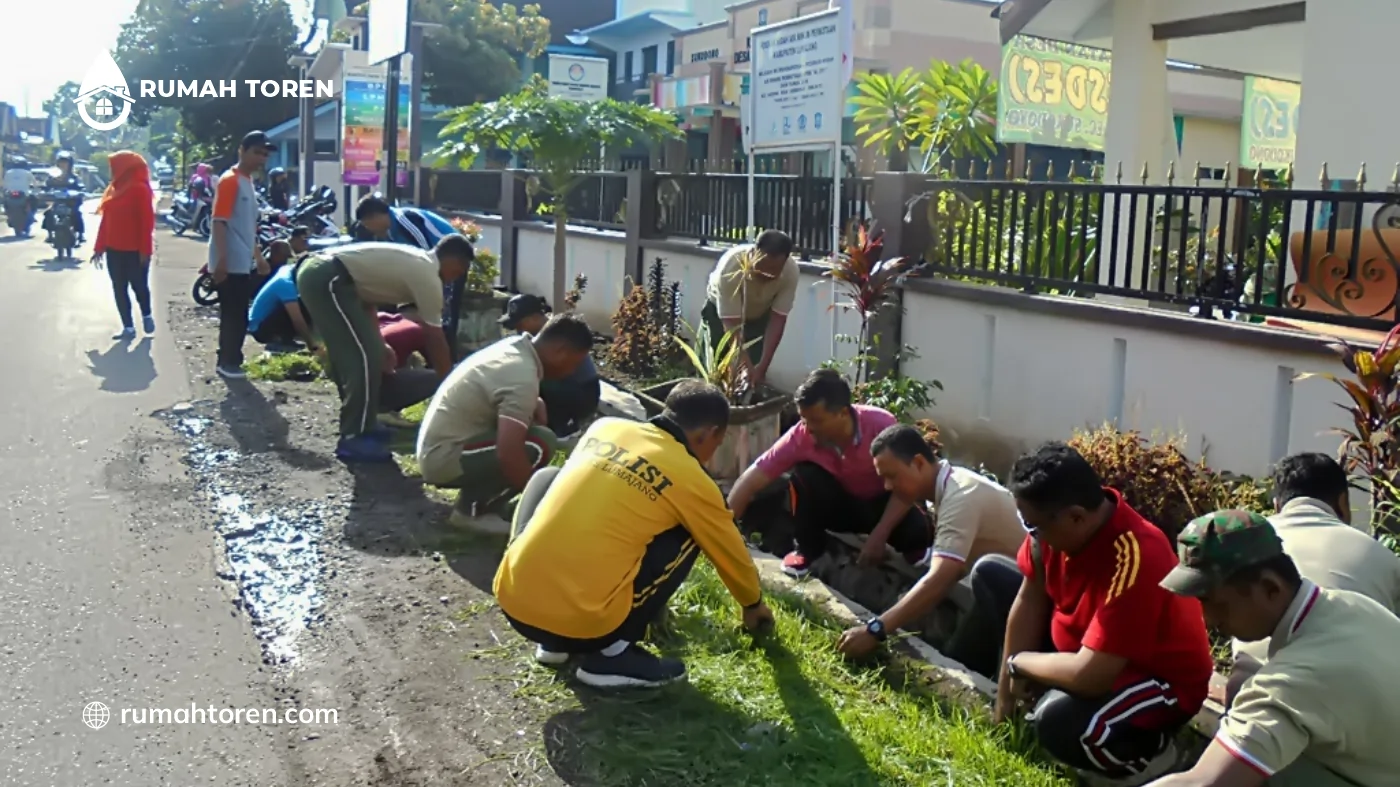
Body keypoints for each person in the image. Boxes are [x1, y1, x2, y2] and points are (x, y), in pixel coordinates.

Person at [493, 379, 775, 688]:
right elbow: (729, 550)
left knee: (549, 478)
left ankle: (555, 644)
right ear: (710, 433)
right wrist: (752, 604)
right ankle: (612, 654)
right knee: (692, 531)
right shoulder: (694, 480)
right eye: (717, 444)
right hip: (584, 626)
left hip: (514, 603)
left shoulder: (606, 428)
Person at [987, 442, 1212, 786]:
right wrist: (1003, 704)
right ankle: (1023, 707)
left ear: (1076, 517)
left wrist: (1020, 663)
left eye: (1034, 526)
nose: (1031, 534)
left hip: (1152, 680)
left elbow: (1091, 676)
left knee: (1060, 722)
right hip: (1087, 652)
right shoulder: (1052, 533)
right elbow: (1029, 601)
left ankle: (1155, 759)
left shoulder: (1137, 554)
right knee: (990, 576)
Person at [1149, 510, 1400, 787]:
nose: (1207, 620)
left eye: (1216, 604)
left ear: (1271, 587)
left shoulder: (1296, 680)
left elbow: (1204, 783)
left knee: (1262, 765)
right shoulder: (1354, 606)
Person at [834, 423, 1026, 664]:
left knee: (974, 660)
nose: (888, 487)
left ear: (918, 463)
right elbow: (951, 570)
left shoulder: (960, 496)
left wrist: (875, 630)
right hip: (1001, 588)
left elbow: (941, 577)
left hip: (1030, 595)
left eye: (892, 476)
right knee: (961, 657)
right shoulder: (950, 486)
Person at [1226, 452, 1400, 705]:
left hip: (1252, 693)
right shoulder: (1381, 557)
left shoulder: (1248, 544)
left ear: (1277, 505)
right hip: (1351, 702)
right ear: (1343, 502)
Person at [728, 369, 930, 577]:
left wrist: (880, 535)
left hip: (880, 505)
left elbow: (907, 484)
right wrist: (722, 535)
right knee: (803, 477)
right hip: (840, 508)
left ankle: (917, 556)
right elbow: (750, 481)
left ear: (842, 413)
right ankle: (806, 550)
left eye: (816, 420)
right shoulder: (801, 436)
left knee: (916, 532)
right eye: (804, 419)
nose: (808, 428)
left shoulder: (881, 425)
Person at [298, 238, 470, 462]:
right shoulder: (427, 274)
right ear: (454, 260)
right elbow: (435, 337)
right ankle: (353, 436)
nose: (455, 278)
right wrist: (450, 384)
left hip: (328, 275)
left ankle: (366, 424)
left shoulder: (417, 263)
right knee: (361, 357)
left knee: (370, 353)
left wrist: (380, 344)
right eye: (459, 271)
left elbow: (367, 300)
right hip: (327, 276)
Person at [416, 313, 592, 526]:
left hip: (437, 449)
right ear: (560, 351)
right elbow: (509, 453)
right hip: (442, 459)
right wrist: (542, 504)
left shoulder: (514, 349)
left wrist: (535, 402)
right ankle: (472, 512)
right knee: (539, 443)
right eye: (575, 363)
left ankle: (481, 503)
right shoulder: (522, 376)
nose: (572, 372)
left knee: (532, 438)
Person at [353, 195, 468, 345]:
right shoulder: (388, 233)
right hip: (431, 269)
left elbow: (427, 256)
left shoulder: (404, 220)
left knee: (444, 316)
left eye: (368, 224)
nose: (370, 230)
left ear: (376, 216)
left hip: (452, 262)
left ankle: (447, 353)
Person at [209, 131, 274, 379]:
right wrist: (221, 260)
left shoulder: (247, 182)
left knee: (238, 313)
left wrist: (259, 256)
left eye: (264, 154)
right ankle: (227, 362)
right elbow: (219, 222)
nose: (261, 158)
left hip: (242, 260)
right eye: (257, 152)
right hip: (230, 261)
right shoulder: (230, 180)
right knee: (233, 314)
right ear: (242, 151)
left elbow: (247, 227)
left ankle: (231, 359)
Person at [701, 229, 797, 390]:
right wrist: (744, 366)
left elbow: (778, 319)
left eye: (774, 270)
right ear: (754, 253)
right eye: (762, 267)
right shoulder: (731, 267)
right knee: (716, 370)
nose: (767, 274)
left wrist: (762, 367)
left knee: (752, 375)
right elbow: (731, 324)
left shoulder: (791, 272)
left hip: (758, 317)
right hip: (721, 318)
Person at [499, 293, 601, 437]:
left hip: (581, 390)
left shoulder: (555, 336)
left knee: (529, 382)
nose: (518, 329)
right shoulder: (536, 335)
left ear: (535, 318)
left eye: (520, 324)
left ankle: (562, 428)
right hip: (563, 383)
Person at [88, 151, 157, 340]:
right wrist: (99, 247)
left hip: (135, 251)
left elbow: (146, 223)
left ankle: (146, 315)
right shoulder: (113, 189)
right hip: (114, 249)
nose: (112, 171)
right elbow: (106, 222)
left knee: (139, 286)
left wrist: (145, 251)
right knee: (119, 288)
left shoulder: (140, 189)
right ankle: (128, 327)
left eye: (114, 166)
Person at [247, 241, 315, 352]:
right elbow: (297, 319)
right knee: (300, 306)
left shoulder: (286, 269)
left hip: (262, 322)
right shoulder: (286, 283)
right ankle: (279, 339)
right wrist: (312, 345)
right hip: (260, 329)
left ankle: (286, 338)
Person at [43, 151, 86, 243]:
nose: (63, 164)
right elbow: (47, 186)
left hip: (71, 201)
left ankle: (80, 234)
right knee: (48, 213)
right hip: (57, 201)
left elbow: (80, 186)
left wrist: (81, 191)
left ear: (70, 164)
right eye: (61, 162)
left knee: (76, 213)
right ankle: (50, 234)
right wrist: (45, 191)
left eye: (65, 162)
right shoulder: (52, 176)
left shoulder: (74, 177)